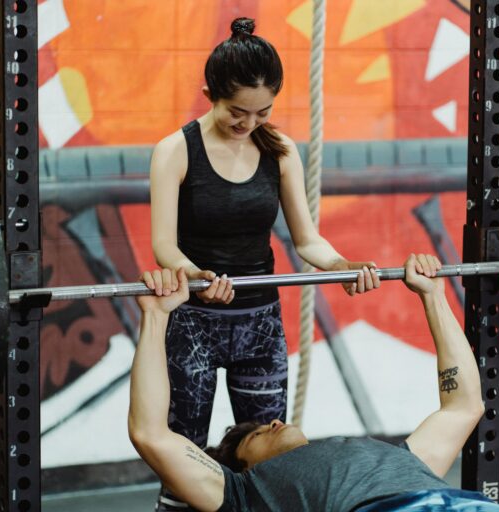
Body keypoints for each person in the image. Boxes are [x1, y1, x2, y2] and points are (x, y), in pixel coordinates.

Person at [148, 16, 380, 510]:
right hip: (193, 321)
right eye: (238, 111)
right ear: (210, 91)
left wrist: (343, 264)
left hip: (260, 324)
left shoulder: (280, 150)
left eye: (262, 112)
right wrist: (197, 277)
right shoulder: (174, 150)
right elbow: (164, 248)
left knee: (275, 462)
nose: (248, 124)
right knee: (182, 457)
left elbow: (308, 241)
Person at [129, 255, 499, 511]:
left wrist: (432, 295)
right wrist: (157, 315)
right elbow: (150, 434)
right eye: (259, 434)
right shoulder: (244, 494)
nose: (275, 422)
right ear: (245, 468)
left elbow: (465, 406)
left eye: (268, 423)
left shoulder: (402, 458)